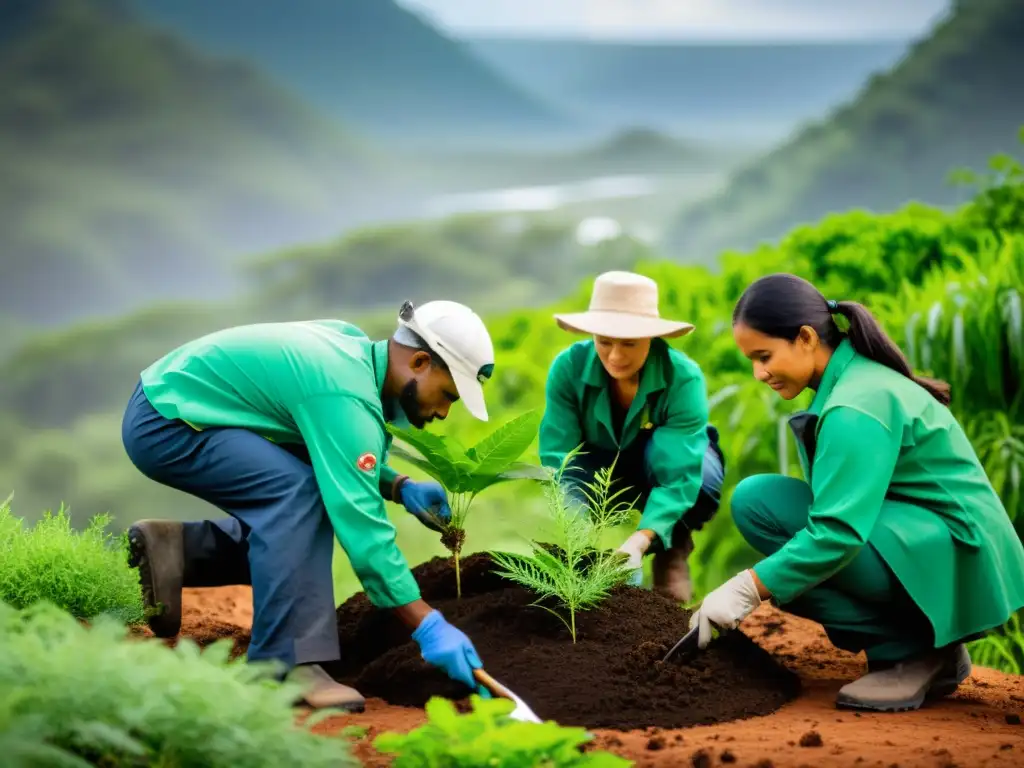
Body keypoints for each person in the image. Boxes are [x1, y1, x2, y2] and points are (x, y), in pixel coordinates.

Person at [120, 300, 498, 711]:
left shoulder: (351, 351)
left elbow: (326, 444)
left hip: (180, 401)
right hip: (167, 421)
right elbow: (365, 534)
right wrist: (428, 624)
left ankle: (180, 550)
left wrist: (398, 485)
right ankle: (285, 666)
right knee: (299, 496)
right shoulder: (341, 391)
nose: (443, 412)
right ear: (420, 361)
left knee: (302, 492)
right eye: (447, 395)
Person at [689, 272, 1024, 712]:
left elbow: (837, 534)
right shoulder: (855, 381)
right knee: (758, 502)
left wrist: (747, 588)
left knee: (788, 545)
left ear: (806, 337)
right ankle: (924, 644)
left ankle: (912, 651)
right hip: (926, 537)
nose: (758, 373)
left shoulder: (855, 406)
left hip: (958, 555)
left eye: (764, 355)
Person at [537, 270, 726, 603]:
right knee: (571, 469)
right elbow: (559, 460)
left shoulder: (682, 378)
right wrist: (576, 542)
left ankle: (671, 547)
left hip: (665, 467)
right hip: (597, 468)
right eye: (604, 342)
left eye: (629, 344)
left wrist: (639, 541)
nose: (615, 356)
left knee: (702, 477)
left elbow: (678, 474)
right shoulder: (568, 369)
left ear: (651, 338)